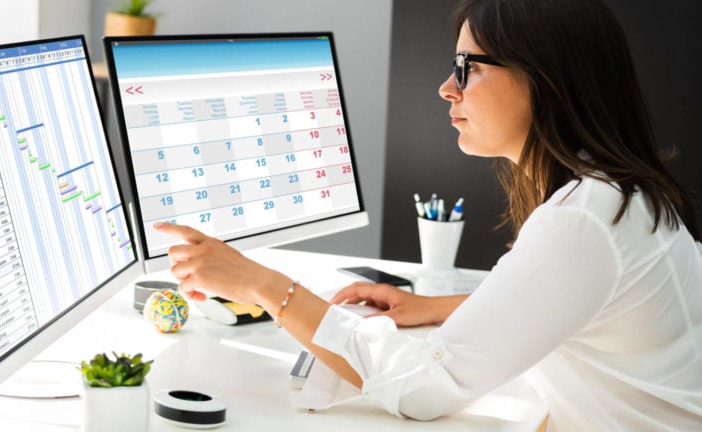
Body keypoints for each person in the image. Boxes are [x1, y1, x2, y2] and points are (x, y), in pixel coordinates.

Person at [155, 0, 702, 429]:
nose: (447, 88)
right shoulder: (620, 193)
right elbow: (587, 308)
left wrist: (263, 285)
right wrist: (441, 307)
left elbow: (424, 390)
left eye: (468, 67)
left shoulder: (583, 219)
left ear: (546, 78)